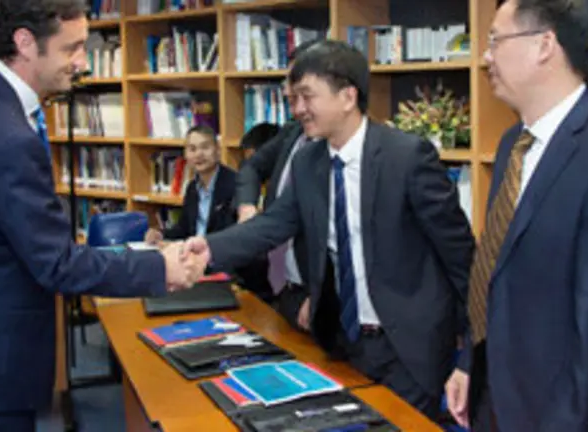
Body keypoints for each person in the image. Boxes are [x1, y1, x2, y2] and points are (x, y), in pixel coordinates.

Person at [0, 1, 206, 430]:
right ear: (25, 43)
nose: (83, 62)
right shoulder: (9, 136)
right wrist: (159, 268)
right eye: (72, 48)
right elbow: (56, 263)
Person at [184, 40, 474, 419]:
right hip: (345, 341)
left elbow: (461, 258)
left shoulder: (407, 157)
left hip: (410, 348)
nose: (298, 109)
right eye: (294, 98)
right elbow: (273, 224)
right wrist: (208, 249)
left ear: (347, 97)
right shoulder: (308, 162)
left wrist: (470, 355)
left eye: (307, 96)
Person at [444, 1, 588, 431]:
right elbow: (497, 269)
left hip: (565, 415)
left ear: (544, 45)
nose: (485, 56)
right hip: (499, 397)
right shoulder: (512, 145)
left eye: (495, 41)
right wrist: (470, 362)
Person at [234, 39, 321, 331]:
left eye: (299, 87)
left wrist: (323, 296)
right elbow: (251, 167)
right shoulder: (292, 133)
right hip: (283, 284)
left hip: (315, 293)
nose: (288, 91)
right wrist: (247, 205)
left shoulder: (340, 150)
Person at [145, 125, 274, 302]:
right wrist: (161, 234)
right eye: (192, 149)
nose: (199, 154)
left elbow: (233, 237)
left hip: (225, 272)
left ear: (217, 150)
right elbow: (184, 228)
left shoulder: (236, 185)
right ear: (186, 155)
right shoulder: (192, 188)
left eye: (205, 147)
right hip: (196, 268)